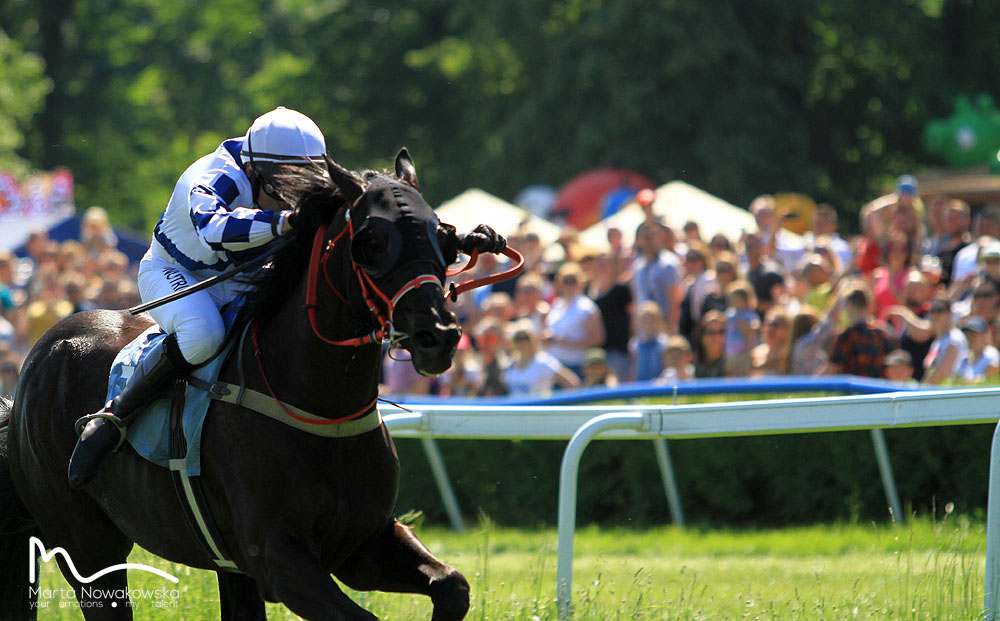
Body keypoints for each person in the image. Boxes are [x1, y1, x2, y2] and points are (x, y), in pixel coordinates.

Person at [68, 106, 328, 487]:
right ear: (257, 171)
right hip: (176, 273)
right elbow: (214, 227)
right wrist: (286, 223)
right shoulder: (212, 176)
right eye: (287, 191)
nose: (293, 201)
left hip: (240, 275)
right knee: (204, 333)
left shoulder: (274, 164)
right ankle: (116, 415)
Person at [824, 284, 897, 378]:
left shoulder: (849, 336)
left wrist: (811, 385)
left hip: (857, 390)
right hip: (881, 389)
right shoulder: (885, 333)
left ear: (849, 305)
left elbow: (831, 368)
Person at [505, 321, 580, 396]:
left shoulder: (544, 361)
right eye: (518, 338)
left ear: (533, 339)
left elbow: (572, 383)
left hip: (538, 406)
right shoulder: (510, 365)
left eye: (525, 338)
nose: (522, 342)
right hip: (516, 407)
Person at [955, 316, 999, 383]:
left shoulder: (991, 354)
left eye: (974, 334)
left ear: (985, 336)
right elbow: (956, 379)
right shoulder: (963, 357)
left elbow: (990, 377)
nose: (970, 338)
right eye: (968, 334)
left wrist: (969, 382)